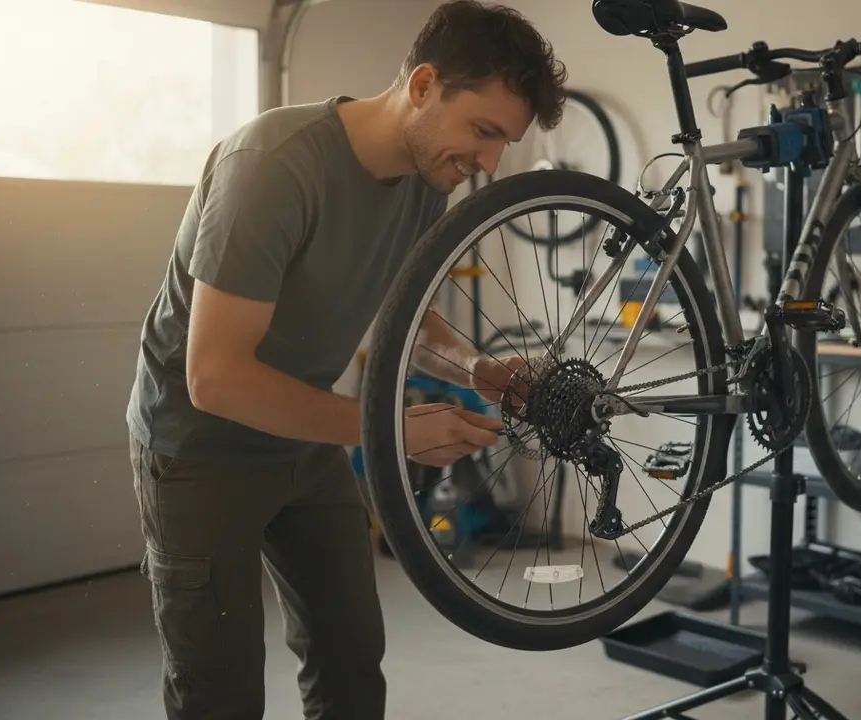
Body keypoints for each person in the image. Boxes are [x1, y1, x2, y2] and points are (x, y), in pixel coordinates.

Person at [124, 2, 567, 717]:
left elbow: (408, 323)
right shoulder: (273, 166)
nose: (489, 162)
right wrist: (387, 427)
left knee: (351, 657)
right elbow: (215, 376)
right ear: (422, 85)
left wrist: (480, 370)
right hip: (197, 451)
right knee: (219, 690)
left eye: (503, 144)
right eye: (483, 132)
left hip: (304, 438)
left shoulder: (427, 183)